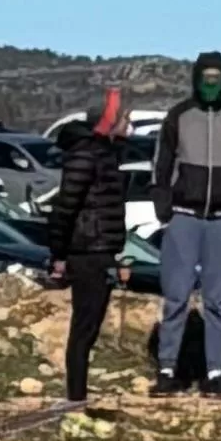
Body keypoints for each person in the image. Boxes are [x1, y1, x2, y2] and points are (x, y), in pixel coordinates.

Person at [149, 51, 221, 398]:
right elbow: (162, 164)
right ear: (196, 78)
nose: (211, 83)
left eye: (217, 77)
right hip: (184, 217)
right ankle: (168, 369)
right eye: (205, 76)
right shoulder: (179, 116)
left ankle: (214, 371)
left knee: (216, 302)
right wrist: (162, 206)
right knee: (177, 296)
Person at [45, 88, 131, 406]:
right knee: (83, 329)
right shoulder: (86, 155)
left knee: (89, 328)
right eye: (125, 120)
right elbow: (66, 206)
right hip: (88, 252)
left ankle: (77, 396)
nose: (129, 127)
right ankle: (75, 398)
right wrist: (59, 254)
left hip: (101, 250)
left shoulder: (104, 154)